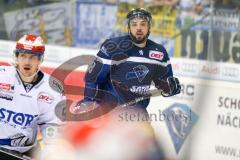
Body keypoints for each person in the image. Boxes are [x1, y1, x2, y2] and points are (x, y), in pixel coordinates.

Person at [76, 8, 180, 113]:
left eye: (143, 24)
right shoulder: (113, 47)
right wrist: (88, 102)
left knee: (146, 130)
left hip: (138, 114)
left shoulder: (159, 52)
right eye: (134, 24)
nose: (139, 28)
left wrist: (169, 88)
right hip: (109, 112)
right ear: (128, 28)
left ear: (149, 27)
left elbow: (165, 83)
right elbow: (93, 78)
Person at [0, 34, 65, 159]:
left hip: (26, 152)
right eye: (23, 55)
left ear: (40, 60)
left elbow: (51, 125)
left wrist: (51, 149)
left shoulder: (52, 89)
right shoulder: (2, 75)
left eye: (33, 57)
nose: (27, 61)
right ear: (16, 57)